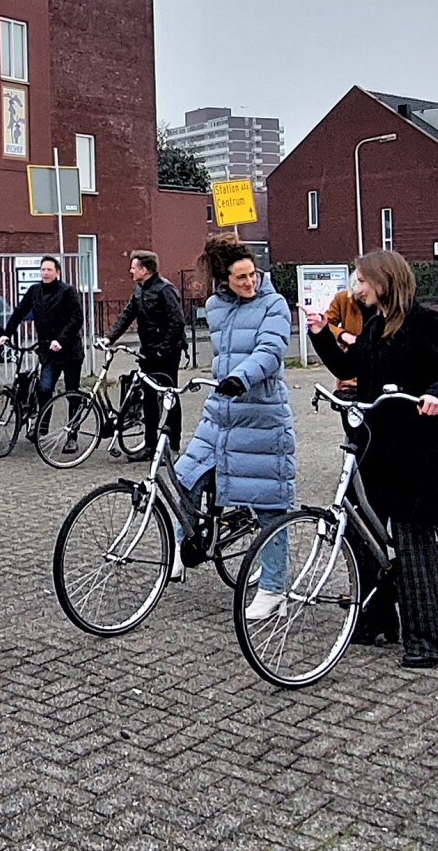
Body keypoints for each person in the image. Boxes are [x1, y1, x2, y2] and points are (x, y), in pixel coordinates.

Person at [304, 249, 438, 670]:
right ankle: (375, 617)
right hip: (375, 442)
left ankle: (427, 638)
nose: (355, 288)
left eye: (361, 280)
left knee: (413, 541)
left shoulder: (423, 321)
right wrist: (323, 332)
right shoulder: (375, 325)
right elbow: (349, 366)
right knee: (362, 531)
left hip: (415, 447)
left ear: (383, 281)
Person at [172, 236, 296, 621]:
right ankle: (182, 545)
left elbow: (270, 351)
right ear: (224, 280)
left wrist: (241, 378)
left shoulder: (273, 305)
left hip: (260, 415)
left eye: (252, 274)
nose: (249, 283)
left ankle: (275, 588)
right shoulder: (214, 308)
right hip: (220, 412)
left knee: (268, 502)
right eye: (240, 277)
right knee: (184, 478)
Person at [103, 250, 186, 454]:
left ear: (145, 269)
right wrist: (109, 337)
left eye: (134, 267)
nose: (130, 270)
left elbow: (178, 323)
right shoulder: (139, 290)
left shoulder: (165, 289)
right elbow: (127, 315)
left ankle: (174, 441)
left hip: (166, 354)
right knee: (148, 398)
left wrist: (163, 350)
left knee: (169, 395)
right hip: (148, 351)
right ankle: (149, 444)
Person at [0, 257, 84, 425]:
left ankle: (72, 433)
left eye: (49, 270)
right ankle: (41, 428)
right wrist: (6, 333)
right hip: (48, 351)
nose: (45, 273)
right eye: (43, 269)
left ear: (57, 272)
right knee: (44, 389)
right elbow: (19, 312)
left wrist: (61, 340)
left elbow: (76, 319)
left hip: (70, 351)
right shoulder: (34, 291)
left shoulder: (67, 291)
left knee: (71, 392)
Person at [323, 274, 370, 397]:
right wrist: (342, 335)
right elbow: (327, 323)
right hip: (350, 374)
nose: (363, 299)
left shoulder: (383, 302)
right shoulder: (343, 298)